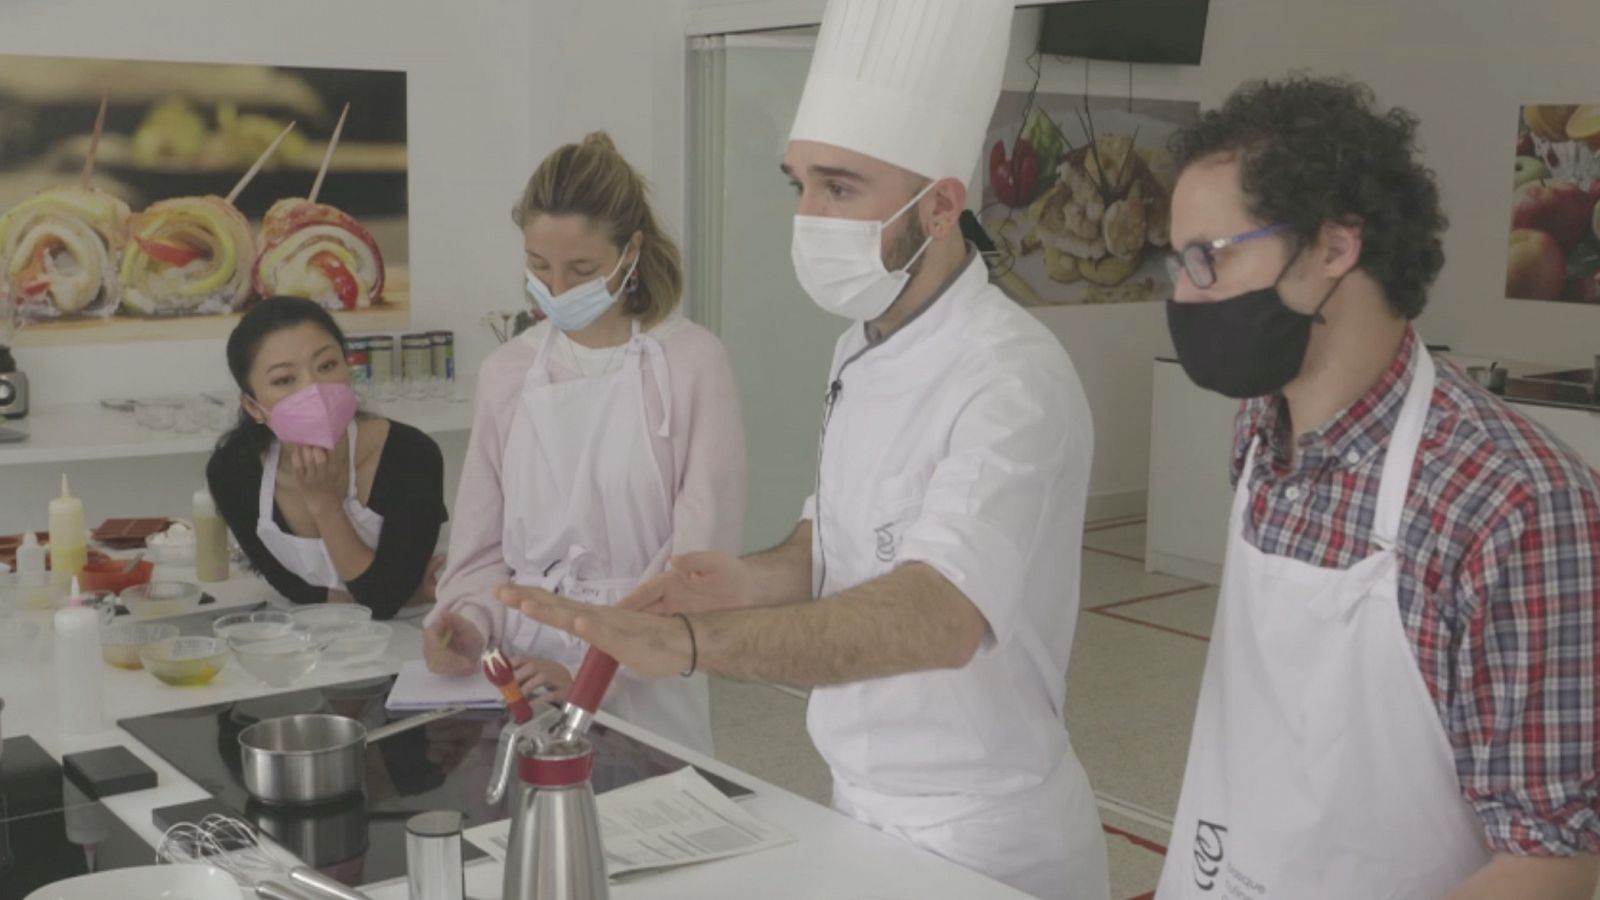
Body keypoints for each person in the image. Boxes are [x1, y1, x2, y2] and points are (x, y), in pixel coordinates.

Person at [492, 3, 1108, 897]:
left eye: (841, 187)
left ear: (940, 206)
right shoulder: (860, 347)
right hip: (857, 800)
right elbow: (841, 536)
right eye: (800, 184)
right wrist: (749, 577)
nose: (810, 215)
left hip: (983, 831)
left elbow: (938, 616)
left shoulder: (1012, 378)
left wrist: (700, 646)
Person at [1153, 76, 1600, 899]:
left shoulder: (1512, 503)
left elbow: (1553, 862)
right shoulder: (1258, 431)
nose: (1184, 296)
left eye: (1208, 259)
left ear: (1333, 247)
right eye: (1177, 263)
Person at [421, 132, 745, 756]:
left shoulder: (692, 364)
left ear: (631, 253)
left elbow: (698, 568)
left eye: (581, 270)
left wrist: (593, 676)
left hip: (645, 678)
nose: (556, 288)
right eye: (539, 266)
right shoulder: (508, 373)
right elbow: (479, 551)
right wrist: (464, 623)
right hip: (522, 676)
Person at [208, 296, 447, 620]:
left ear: (349, 369)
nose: (313, 389)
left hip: (418, 639)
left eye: (327, 366)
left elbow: (383, 600)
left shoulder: (411, 456)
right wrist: (400, 593)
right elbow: (293, 588)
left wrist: (323, 502)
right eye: (284, 380)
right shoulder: (233, 471)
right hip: (312, 637)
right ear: (253, 406)